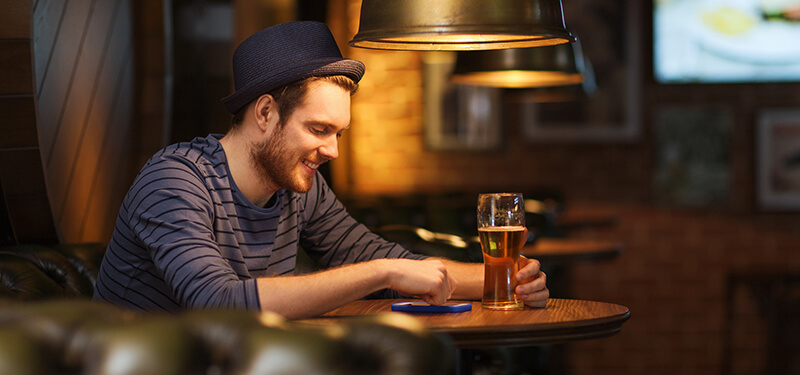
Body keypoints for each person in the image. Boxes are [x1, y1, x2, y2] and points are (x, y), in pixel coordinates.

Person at [93, 21, 548, 319]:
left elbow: (391, 262)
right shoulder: (173, 180)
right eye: (318, 129)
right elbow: (219, 303)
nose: (331, 150)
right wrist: (380, 273)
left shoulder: (298, 187)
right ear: (266, 113)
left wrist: (508, 276)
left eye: (339, 134)